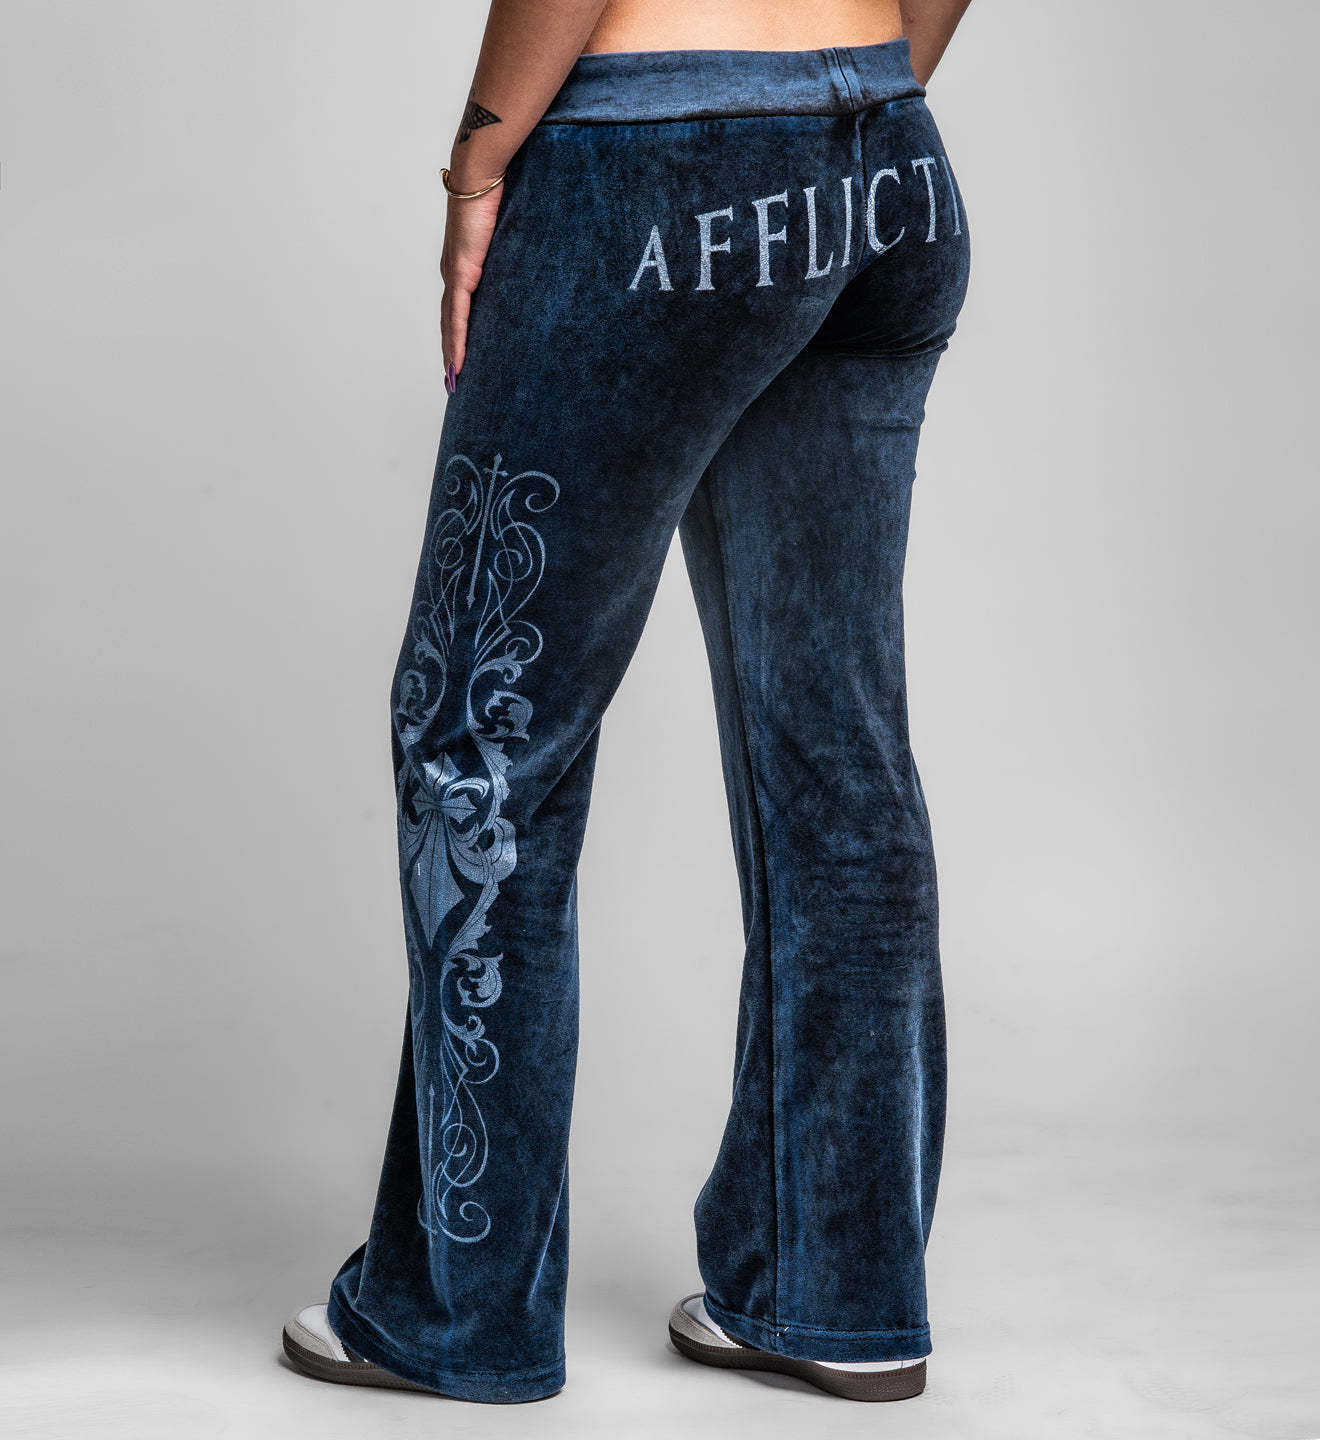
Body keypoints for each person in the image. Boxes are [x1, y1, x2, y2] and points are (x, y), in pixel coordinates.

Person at [281, 0, 973, 1405]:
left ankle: (457, 1313)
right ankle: (835, 1293)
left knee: (485, 748)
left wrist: (478, 167)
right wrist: (842, 116)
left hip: (656, 161)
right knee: (833, 740)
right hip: (884, 157)